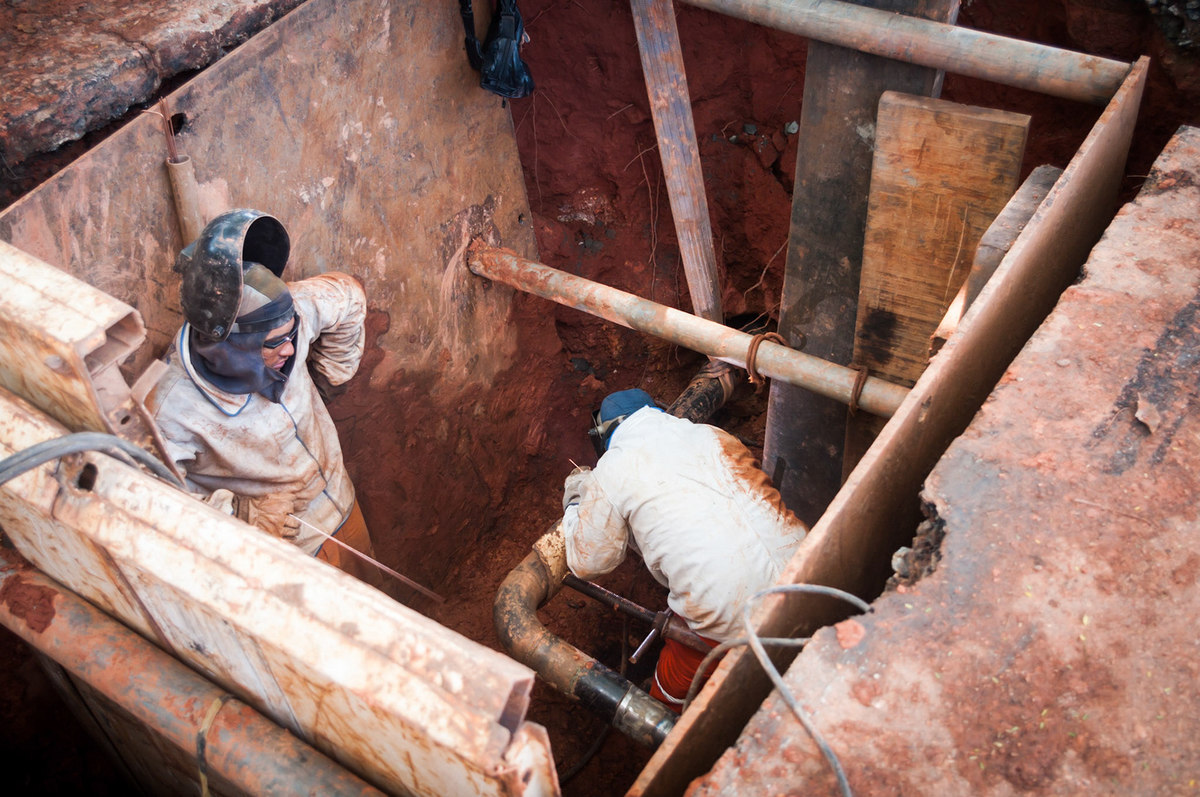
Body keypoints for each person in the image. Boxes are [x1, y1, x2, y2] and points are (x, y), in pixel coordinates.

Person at [147, 208, 380, 587]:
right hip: (290, 557)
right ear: (232, 346)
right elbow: (154, 505)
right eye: (274, 344)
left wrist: (328, 379)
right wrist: (240, 517)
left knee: (382, 610)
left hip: (341, 501)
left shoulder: (289, 318)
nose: (291, 350)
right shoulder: (171, 408)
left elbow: (348, 294)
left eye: (293, 335)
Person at [560, 388, 808, 711]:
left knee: (670, 686)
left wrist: (576, 501)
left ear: (602, 434)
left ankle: (662, 723)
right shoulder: (709, 433)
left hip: (729, 608)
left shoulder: (613, 468)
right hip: (806, 563)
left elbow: (588, 561)